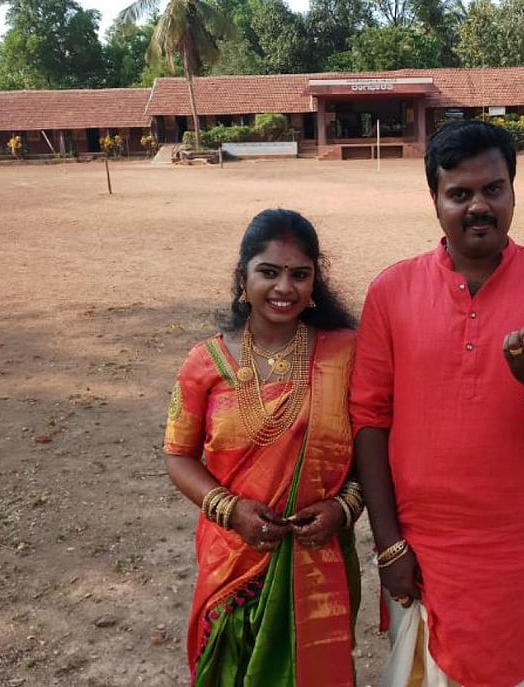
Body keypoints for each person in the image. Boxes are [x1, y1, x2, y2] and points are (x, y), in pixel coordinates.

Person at [350, 120, 524, 686]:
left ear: (514, 191)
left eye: (493, 189)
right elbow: (369, 421)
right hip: (422, 548)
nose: (478, 206)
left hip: (518, 553)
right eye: (460, 193)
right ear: (435, 200)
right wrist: (389, 544)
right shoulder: (391, 291)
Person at [163, 209, 364, 687]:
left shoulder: (347, 354)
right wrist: (232, 512)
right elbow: (178, 455)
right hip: (232, 557)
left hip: (320, 560)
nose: (284, 288)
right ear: (243, 277)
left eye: (300, 274)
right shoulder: (204, 362)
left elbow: (375, 448)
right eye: (269, 272)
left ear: (315, 282)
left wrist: (344, 507)